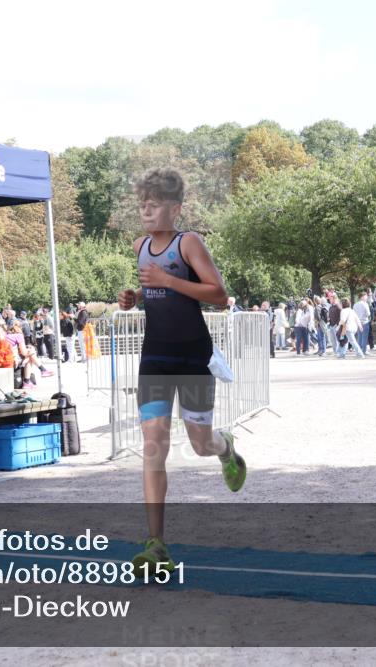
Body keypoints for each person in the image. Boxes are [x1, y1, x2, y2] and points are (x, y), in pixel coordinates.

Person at [117, 168, 245, 574]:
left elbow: (219, 294)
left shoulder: (188, 242)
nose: (146, 212)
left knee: (199, 444)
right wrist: (134, 296)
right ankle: (156, 544)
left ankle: (225, 447)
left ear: (175, 208)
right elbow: (153, 290)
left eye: (154, 206)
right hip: (155, 357)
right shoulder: (139, 245)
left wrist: (168, 283)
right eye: (142, 205)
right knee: (153, 446)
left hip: (192, 356)